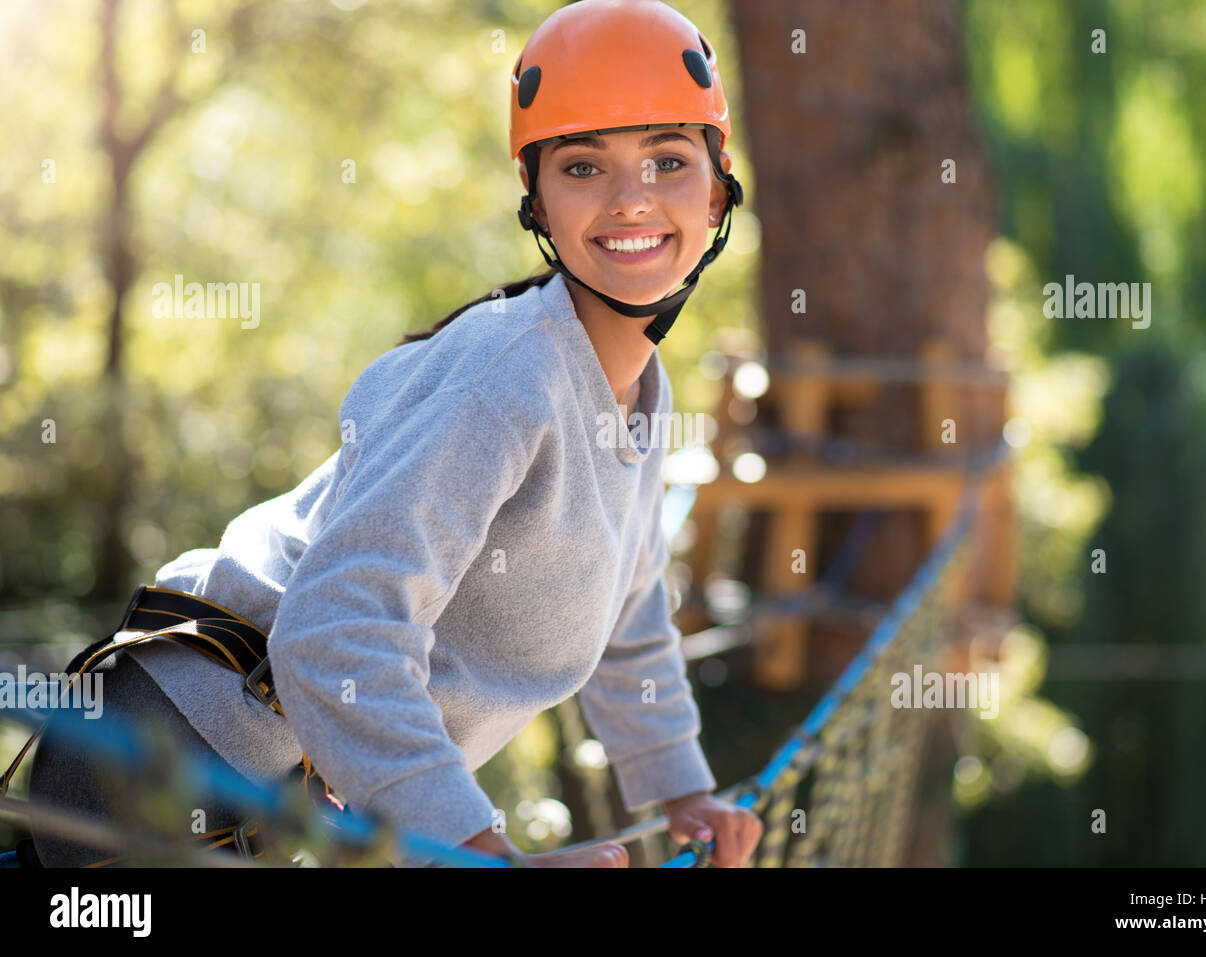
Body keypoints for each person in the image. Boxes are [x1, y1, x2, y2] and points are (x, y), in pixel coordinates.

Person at [19, 0, 762, 868]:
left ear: (717, 189)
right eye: (584, 166)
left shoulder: (638, 392)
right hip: (172, 765)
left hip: (283, 804)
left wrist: (682, 790)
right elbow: (338, 632)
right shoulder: (508, 373)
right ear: (538, 201)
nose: (631, 199)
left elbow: (627, 605)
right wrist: (481, 852)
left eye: (668, 160)